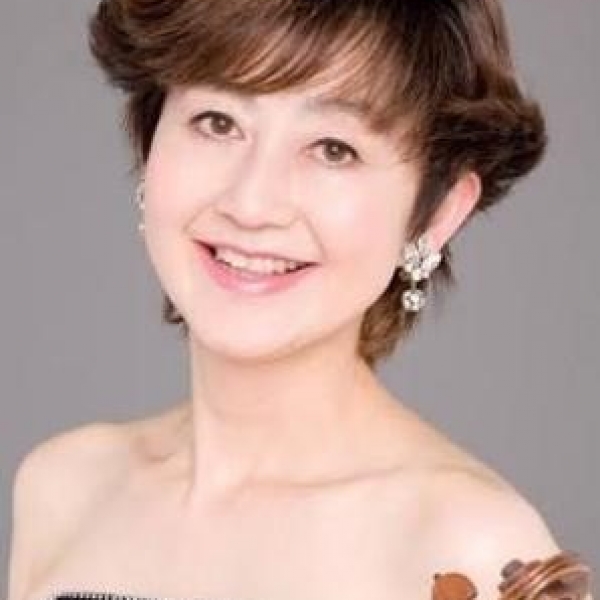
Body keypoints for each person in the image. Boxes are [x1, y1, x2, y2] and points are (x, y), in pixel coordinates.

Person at [7, 1, 593, 600]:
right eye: (217, 122)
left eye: (334, 148)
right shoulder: (65, 490)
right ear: (150, 142)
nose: (251, 203)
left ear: (438, 211)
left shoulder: (472, 548)